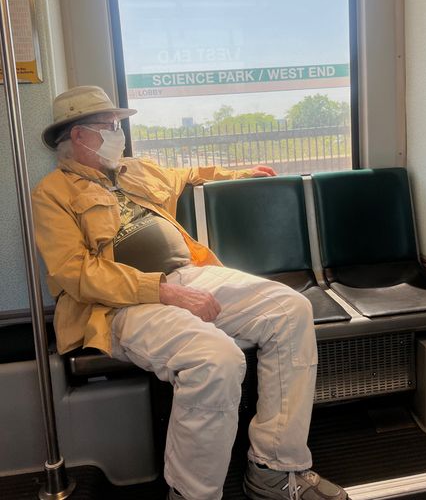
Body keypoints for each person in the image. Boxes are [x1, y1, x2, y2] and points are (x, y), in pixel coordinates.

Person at [32, 85, 348, 500]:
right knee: (215, 359)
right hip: (122, 304)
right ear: (78, 135)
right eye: (108, 126)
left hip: (188, 274)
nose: (118, 134)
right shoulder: (52, 194)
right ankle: (192, 494)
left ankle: (273, 468)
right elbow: (75, 273)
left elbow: (191, 173)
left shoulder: (135, 172)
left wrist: (244, 172)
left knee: (290, 308)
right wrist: (162, 292)